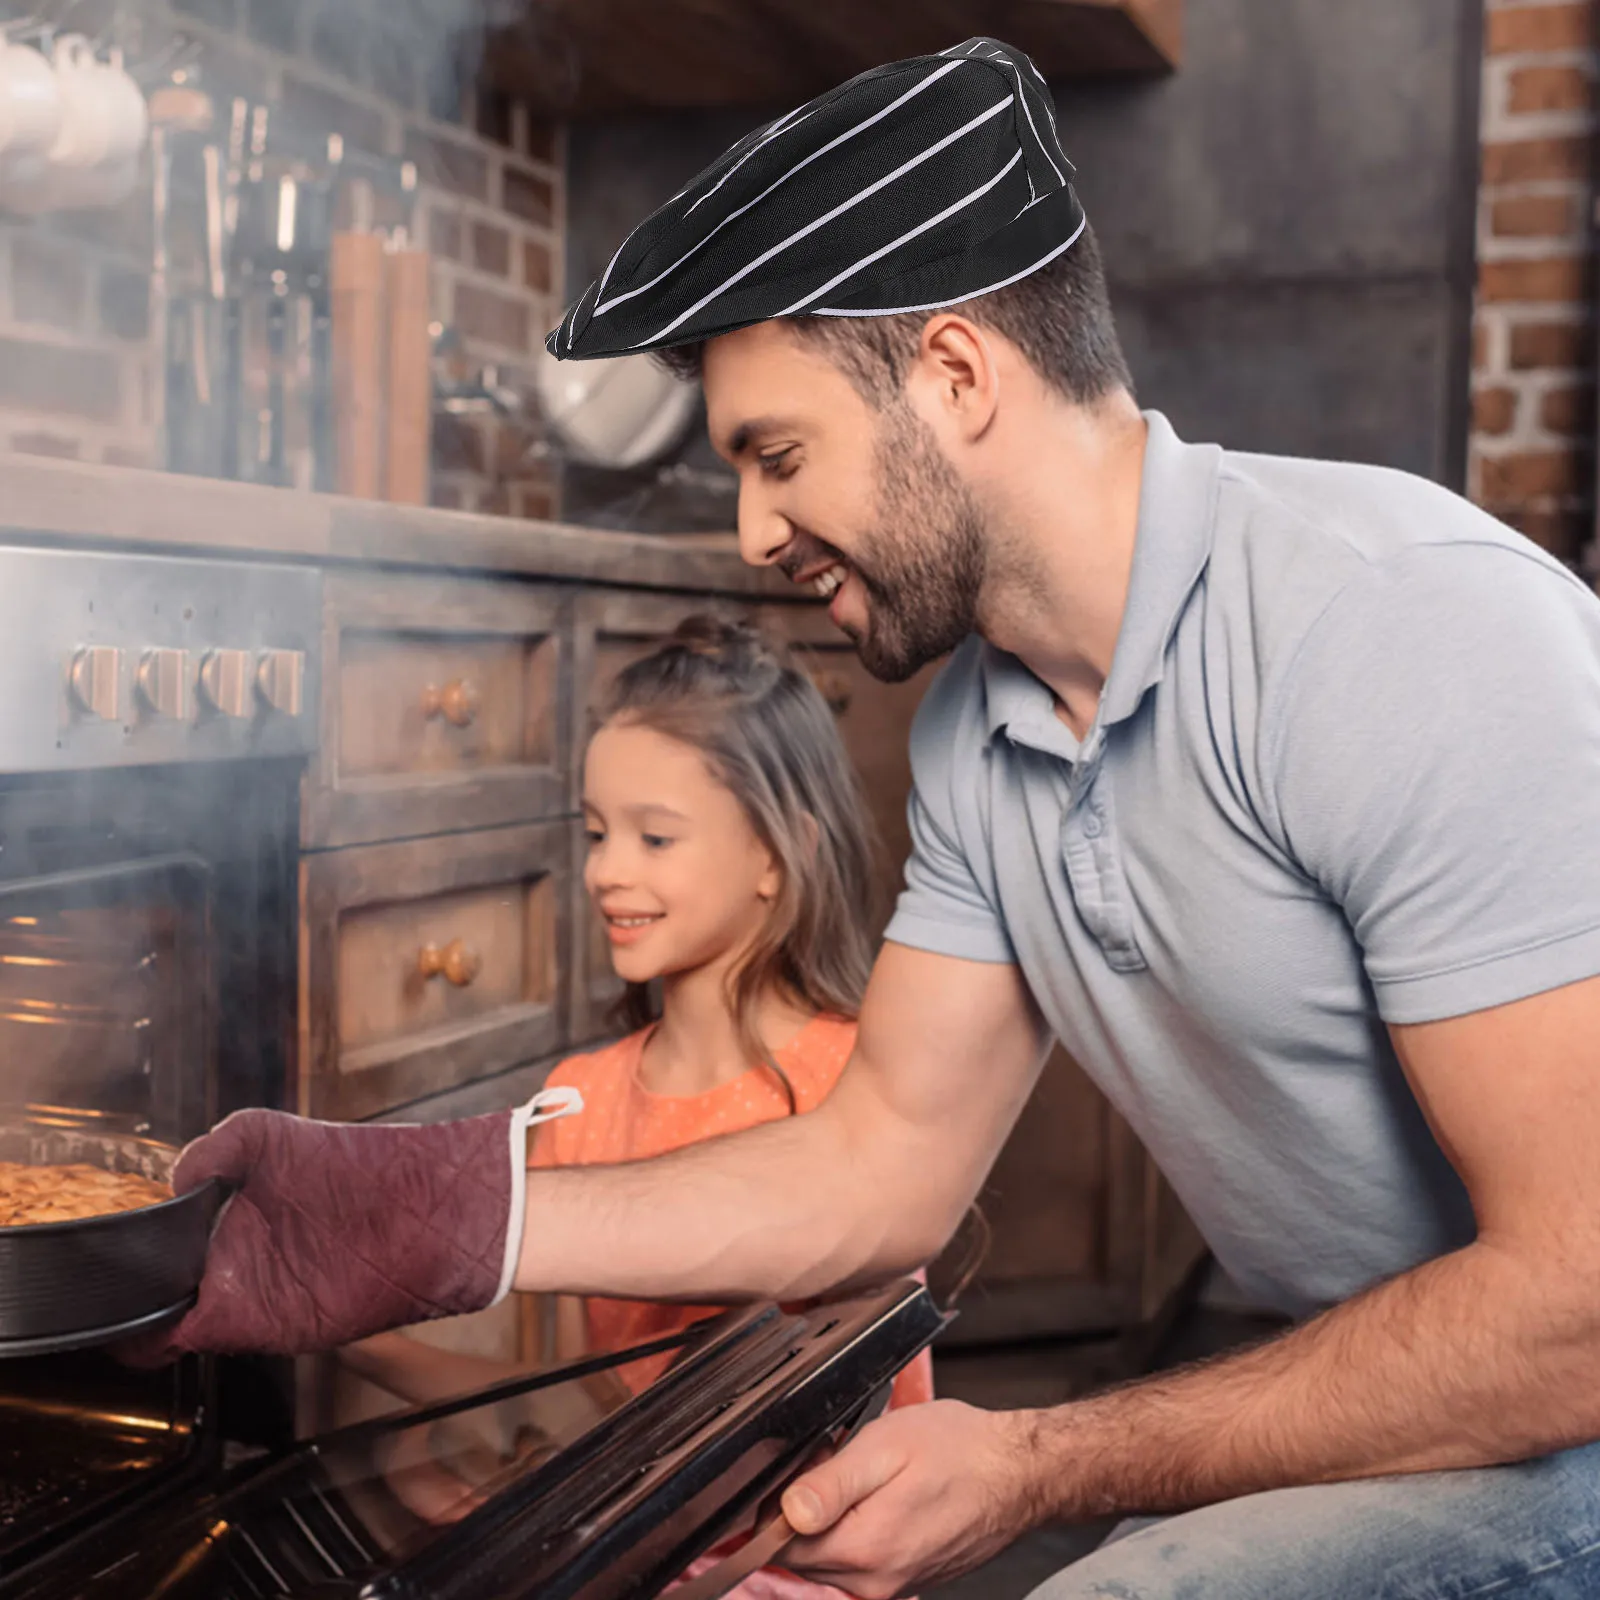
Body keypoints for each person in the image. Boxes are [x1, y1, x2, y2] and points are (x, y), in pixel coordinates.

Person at [158, 36, 1600, 1600]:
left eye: (778, 457)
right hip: (1414, 1385)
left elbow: (1577, 1308)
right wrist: (437, 1215)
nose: (755, 529)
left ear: (958, 375)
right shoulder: (983, 732)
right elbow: (882, 1161)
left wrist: (1036, 1464)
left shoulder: (1394, 633)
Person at [340, 617, 934, 1595]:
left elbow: (871, 1456)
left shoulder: (859, 1089)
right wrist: (339, 1323)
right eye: (596, 831)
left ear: (775, 857)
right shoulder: (580, 1098)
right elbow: (595, 1417)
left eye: (654, 836)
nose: (605, 869)